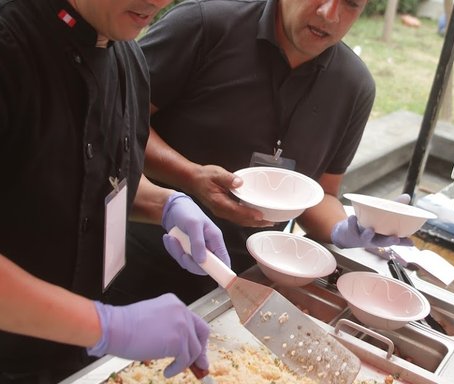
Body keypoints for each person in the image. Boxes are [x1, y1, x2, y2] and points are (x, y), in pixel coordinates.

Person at [108, 0, 411, 306]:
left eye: (351, 3)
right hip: (135, 266)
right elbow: (113, 122)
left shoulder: (354, 86)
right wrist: (189, 176)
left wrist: (347, 229)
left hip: (242, 282)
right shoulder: (203, 25)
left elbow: (323, 194)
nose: (330, 14)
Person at [0, 0, 231, 382]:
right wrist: (109, 325)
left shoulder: (129, 57)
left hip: (73, 354)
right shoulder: (11, 49)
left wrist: (166, 204)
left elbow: (98, 173)